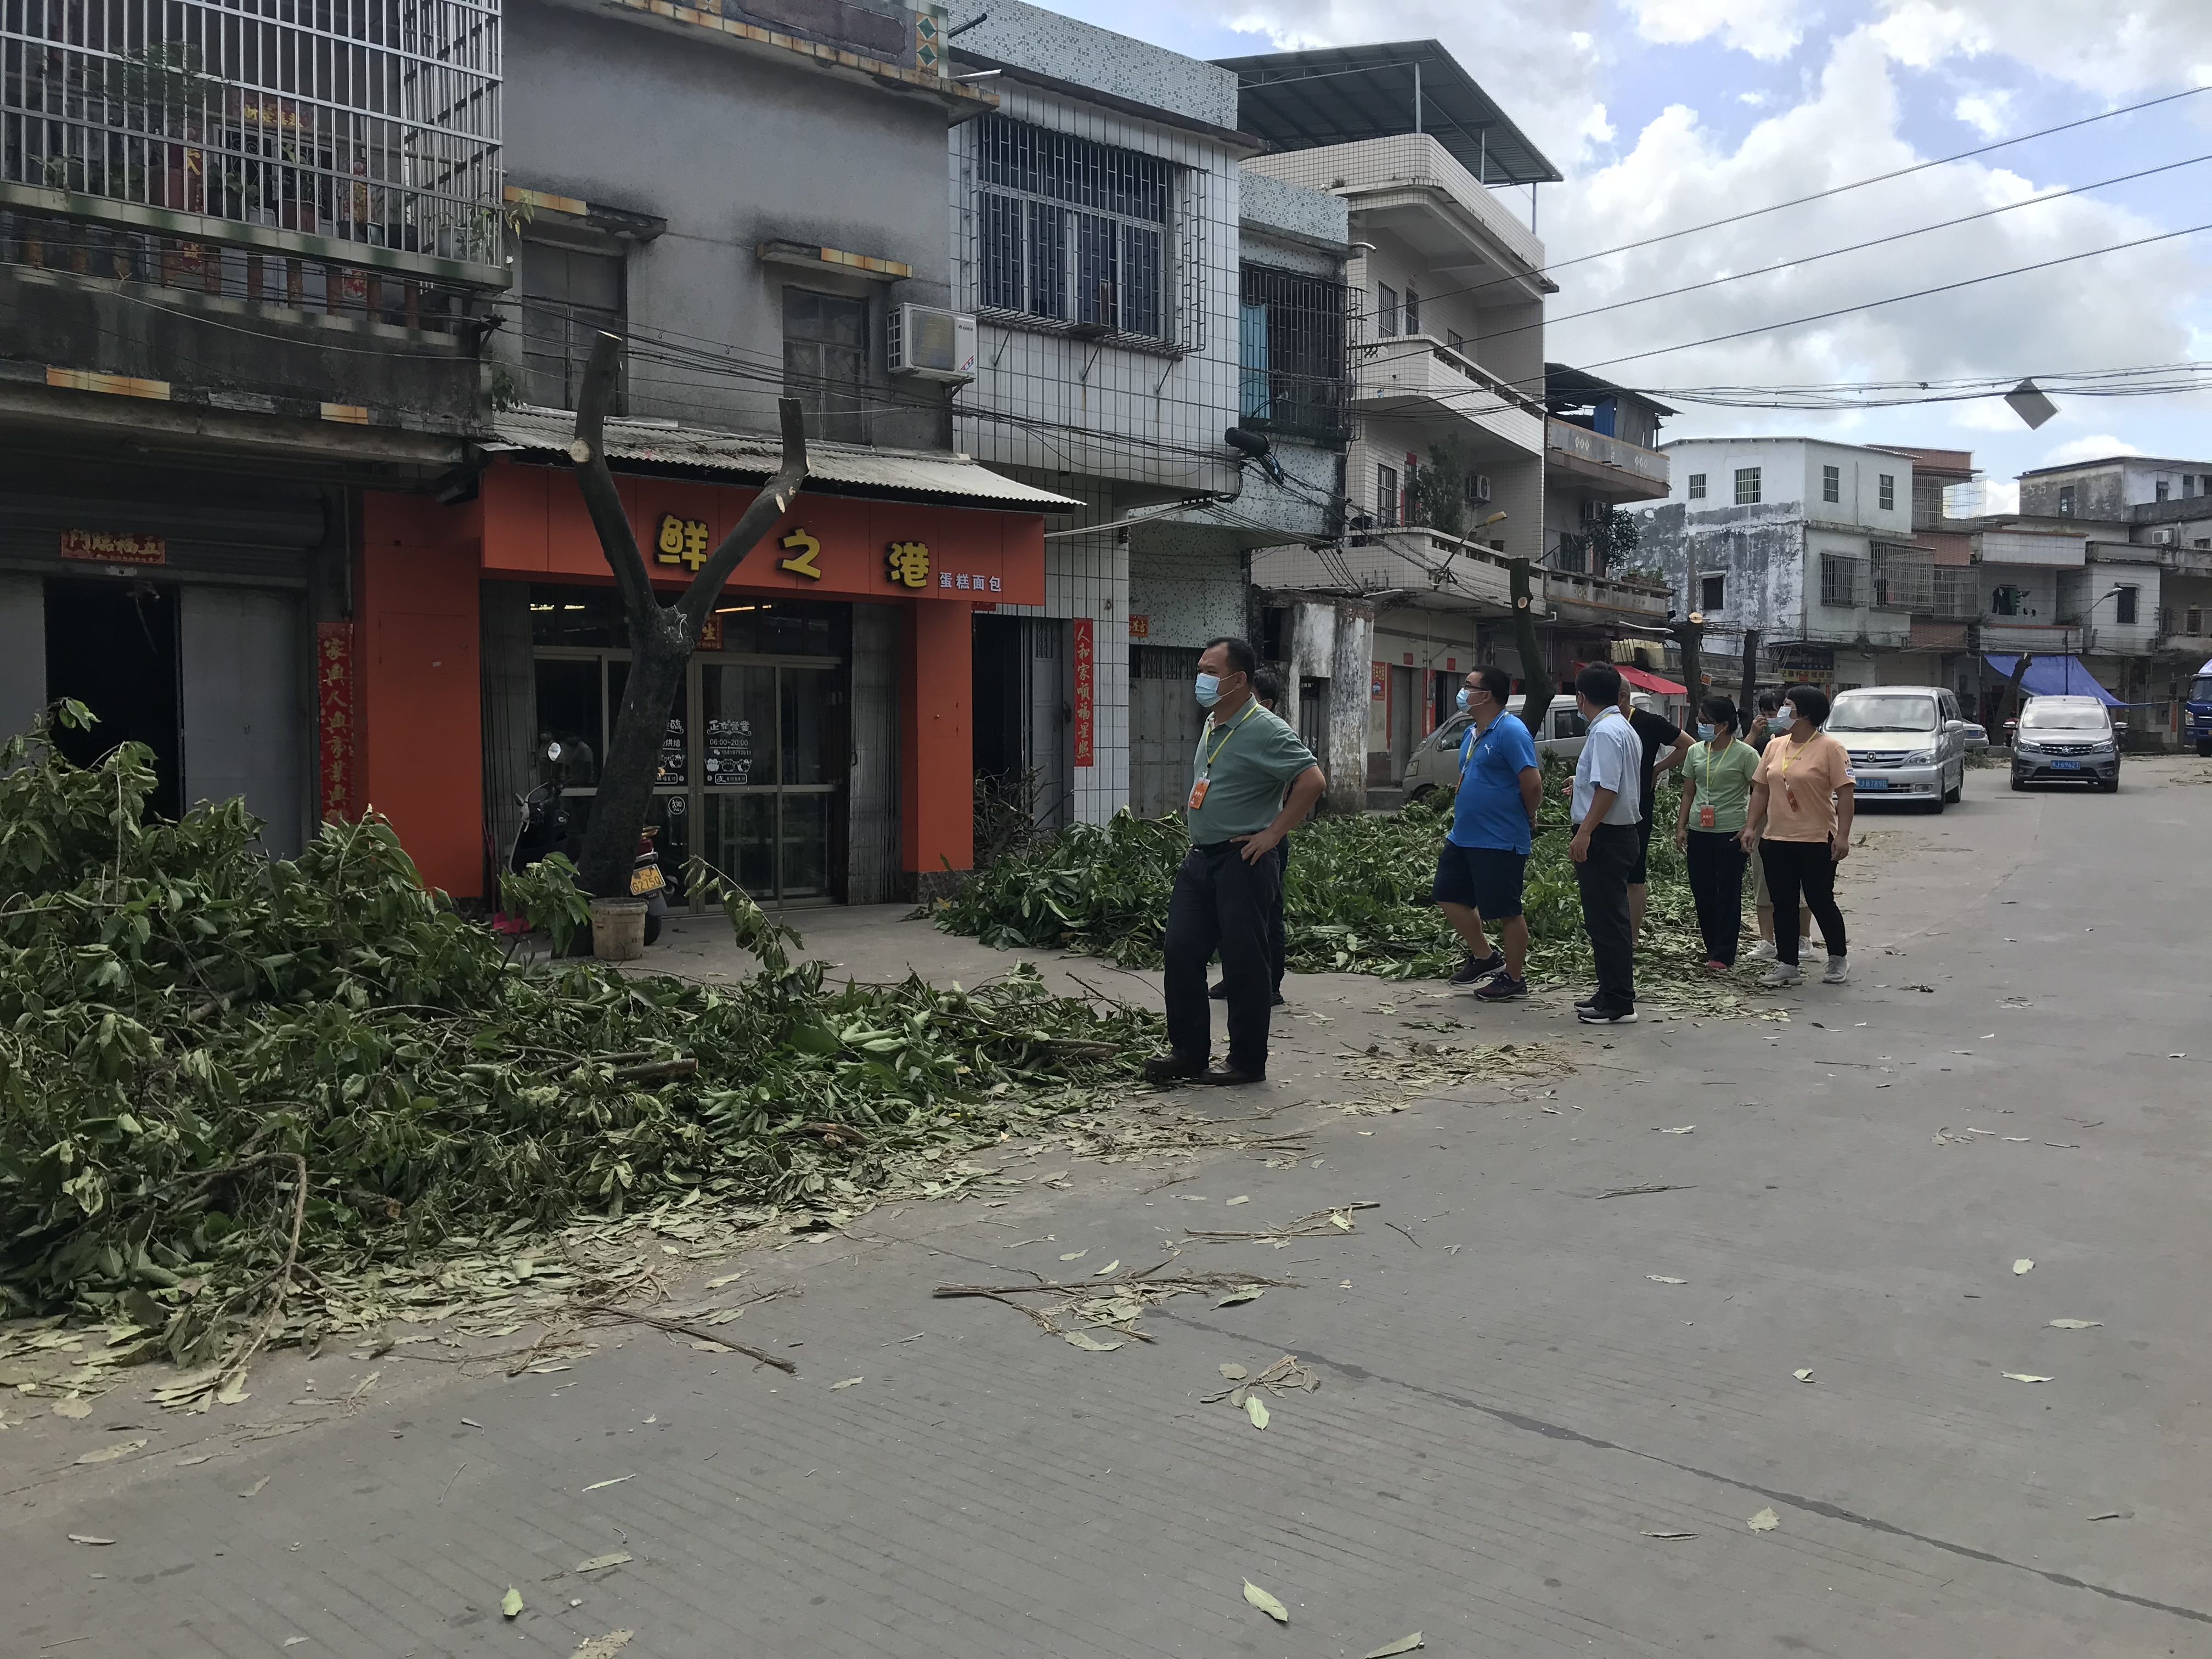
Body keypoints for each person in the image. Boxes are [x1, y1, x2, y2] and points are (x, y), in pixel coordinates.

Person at [1146, 637, 1327, 1086]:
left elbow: (1312, 779)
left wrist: (1273, 833)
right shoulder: (1214, 721)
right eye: (1201, 670)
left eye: (1210, 671)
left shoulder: (1266, 728)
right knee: (1180, 950)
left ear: (1239, 679)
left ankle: (1247, 1062)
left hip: (1242, 860)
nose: (1201, 680)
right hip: (1200, 860)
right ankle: (1189, 1052)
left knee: (1244, 962)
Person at [1432, 664, 1542, 1001]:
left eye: (1469, 686)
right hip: (1463, 835)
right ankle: (1485, 957)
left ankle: (1514, 979)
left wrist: (1530, 814)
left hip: (1498, 838)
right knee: (1447, 895)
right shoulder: (1472, 732)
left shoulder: (1511, 731)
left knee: (1507, 910)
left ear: (1487, 695)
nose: (1463, 692)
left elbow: (1532, 783)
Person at [1741, 683, 1854, 988]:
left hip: (1817, 839)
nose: (1781, 711)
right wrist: (1751, 826)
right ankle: (1787, 964)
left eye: (1787, 705)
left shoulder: (1831, 748)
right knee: (1783, 902)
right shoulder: (1775, 746)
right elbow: (1761, 788)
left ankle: (1837, 958)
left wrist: (1842, 836)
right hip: (1776, 838)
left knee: (1820, 900)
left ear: (1804, 713)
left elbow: (1845, 794)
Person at [1568, 662, 1644, 1025]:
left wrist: (1585, 831)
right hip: (1618, 833)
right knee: (1604, 919)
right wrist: (1579, 785)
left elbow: (1609, 789)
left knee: (1608, 920)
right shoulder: (1622, 727)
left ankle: (1618, 1001)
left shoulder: (1604, 732)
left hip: (1606, 836)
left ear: (1581, 698)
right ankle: (1608, 989)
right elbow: (1608, 782)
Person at [1211, 668, 1291, 1007]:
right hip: (1231, 840)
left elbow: (1308, 781)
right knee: (1232, 913)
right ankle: (1236, 977)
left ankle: (1269, 984)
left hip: (1264, 838)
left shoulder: (1272, 735)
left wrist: (1272, 832)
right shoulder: (1227, 728)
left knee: (1266, 913)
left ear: (1266, 703)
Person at [1673, 693, 1760, 969]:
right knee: (1703, 891)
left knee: (1728, 892)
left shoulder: (1746, 754)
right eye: (1699, 722)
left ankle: (1724, 953)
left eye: (1706, 722)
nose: (1701, 727)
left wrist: (1750, 826)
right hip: (1700, 830)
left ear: (1724, 725)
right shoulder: (1696, 752)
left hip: (1731, 832)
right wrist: (1681, 825)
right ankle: (1712, 947)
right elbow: (1688, 792)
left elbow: (1760, 792)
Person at [1743, 688, 1814, 961]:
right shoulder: (1765, 745)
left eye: (1774, 712)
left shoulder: (1813, 745)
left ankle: (1803, 939)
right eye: (1766, 713)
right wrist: (1752, 734)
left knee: (1800, 885)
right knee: (1763, 880)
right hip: (1767, 821)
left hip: (1801, 823)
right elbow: (1744, 769)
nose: (1771, 718)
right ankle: (1767, 940)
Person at [1621, 681, 1691, 940]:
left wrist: (1657, 768)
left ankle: (1633, 937)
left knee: (1634, 874)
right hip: (1607, 806)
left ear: (1622, 696)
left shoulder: (1648, 722)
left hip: (1639, 804)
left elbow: (1687, 744)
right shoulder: (1602, 723)